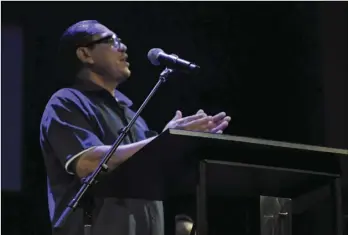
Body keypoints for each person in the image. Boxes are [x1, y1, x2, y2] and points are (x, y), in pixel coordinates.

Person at [39, 20, 231, 235]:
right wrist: (163, 141)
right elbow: (89, 164)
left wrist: (178, 142)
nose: (123, 47)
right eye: (112, 41)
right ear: (85, 54)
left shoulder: (133, 116)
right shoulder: (67, 102)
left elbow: (158, 173)